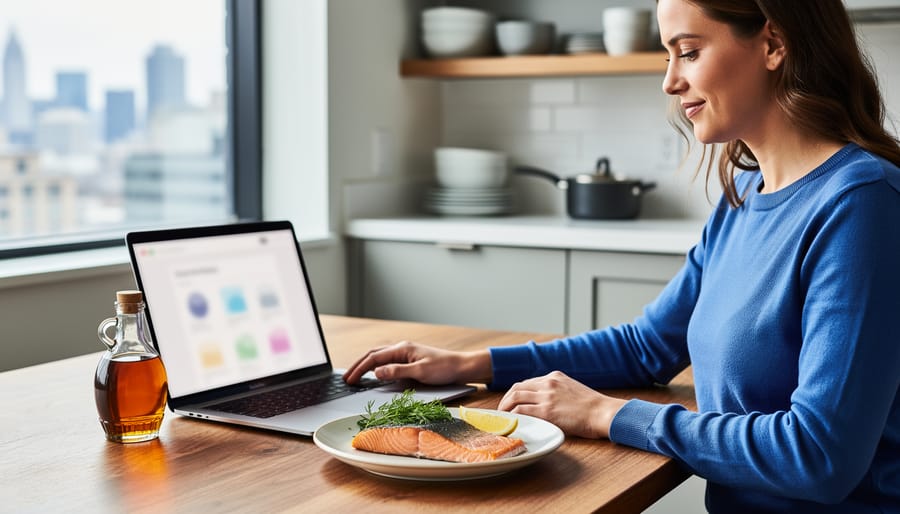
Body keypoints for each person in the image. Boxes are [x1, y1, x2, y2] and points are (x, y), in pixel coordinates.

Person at [344, 0, 900, 512]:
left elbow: (820, 456)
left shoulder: (862, 205)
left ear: (774, 43)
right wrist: (471, 365)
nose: (669, 79)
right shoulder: (745, 197)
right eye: (667, 55)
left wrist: (608, 414)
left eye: (688, 51)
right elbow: (647, 346)